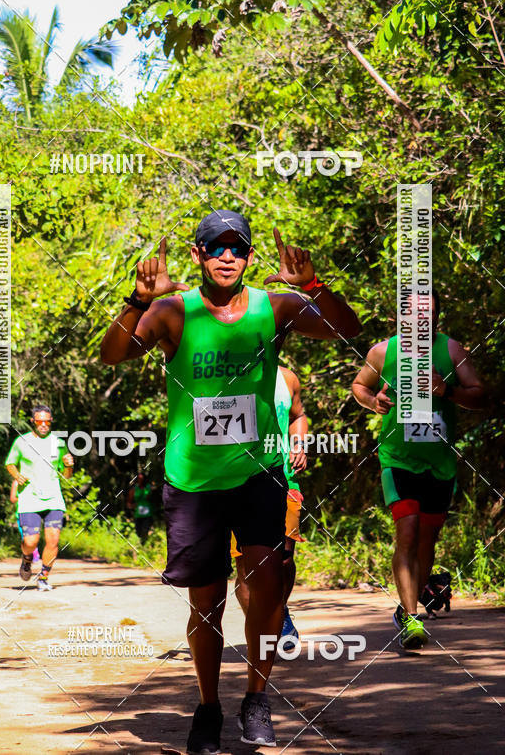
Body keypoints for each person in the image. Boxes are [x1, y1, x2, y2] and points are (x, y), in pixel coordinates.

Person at [101, 210, 361, 752]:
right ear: (197, 256)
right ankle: (207, 707)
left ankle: (257, 699)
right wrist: (138, 301)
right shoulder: (175, 312)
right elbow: (114, 354)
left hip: (258, 472)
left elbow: (347, 327)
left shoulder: (275, 306)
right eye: (215, 248)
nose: (227, 257)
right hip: (194, 480)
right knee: (207, 603)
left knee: (264, 595)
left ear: (247, 257)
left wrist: (314, 285)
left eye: (237, 249)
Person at [352, 290, 485, 650]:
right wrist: (373, 400)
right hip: (398, 459)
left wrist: (448, 391)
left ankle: (408, 603)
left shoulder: (452, 351)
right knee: (407, 533)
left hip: (439, 464)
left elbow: (481, 396)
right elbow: (360, 386)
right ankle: (412, 618)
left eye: (428, 313)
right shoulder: (384, 352)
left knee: (427, 542)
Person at [232, 366, 308, 651]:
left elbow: (298, 415)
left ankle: (280, 611)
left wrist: (298, 444)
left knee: (284, 559)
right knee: (245, 564)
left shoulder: (286, 378)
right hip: (233, 480)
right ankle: (262, 630)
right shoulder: (226, 371)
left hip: (283, 477)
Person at [5, 404, 73, 591]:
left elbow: (65, 476)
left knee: (53, 540)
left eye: (47, 421)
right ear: (33, 421)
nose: (43, 425)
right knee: (30, 541)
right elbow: (10, 463)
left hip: (53, 499)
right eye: (40, 421)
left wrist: (69, 465)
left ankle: (43, 576)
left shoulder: (58, 443)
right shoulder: (21, 442)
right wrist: (17, 476)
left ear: (51, 422)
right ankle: (27, 560)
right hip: (29, 498)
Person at [10, 479, 40, 563]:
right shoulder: (16, 482)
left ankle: (34, 552)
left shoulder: (35, 479)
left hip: (35, 511)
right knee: (25, 536)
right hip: (21, 512)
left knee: (35, 534)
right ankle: (28, 555)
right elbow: (12, 498)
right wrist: (23, 497)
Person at [126, 471, 156, 543]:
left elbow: (153, 498)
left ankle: (145, 545)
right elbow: (129, 502)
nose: (140, 480)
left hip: (148, 514)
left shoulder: (149, 488)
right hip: (138, 515)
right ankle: (141, 545)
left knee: (145, 531)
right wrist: (132, 506)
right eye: (139, 479)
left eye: (142, 479)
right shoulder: (134, 489)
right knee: (138, 532)